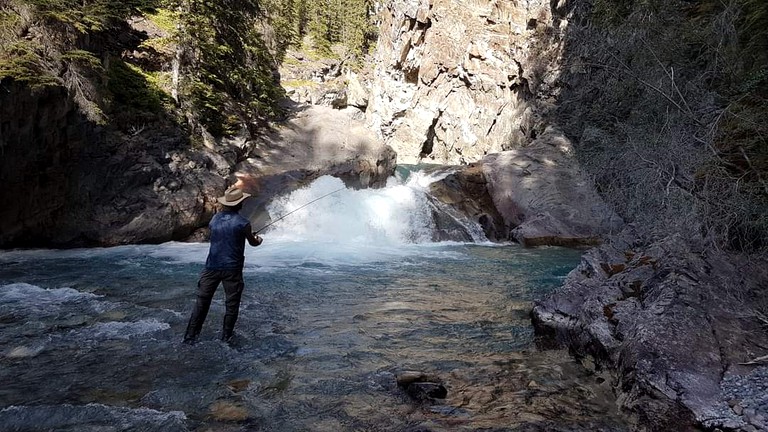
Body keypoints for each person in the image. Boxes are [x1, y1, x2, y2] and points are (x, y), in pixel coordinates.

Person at [183, 186, 263, 344]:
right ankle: (226, 338)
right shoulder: (243, 223)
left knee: (202, 302)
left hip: (211, 267)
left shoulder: (214, 219)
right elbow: (253, 243)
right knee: (232, 304)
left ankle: (190, 337)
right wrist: (258, 239)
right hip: (232, 269)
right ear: (239, 204)